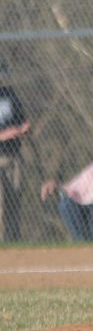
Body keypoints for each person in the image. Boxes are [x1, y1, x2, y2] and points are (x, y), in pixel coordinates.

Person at [0, 60, 30, 241]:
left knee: (13, 201)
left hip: (14, 155)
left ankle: (13, 242)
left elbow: (21, 119)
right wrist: (3, 135)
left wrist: (23, 127)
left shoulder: (10, 94)